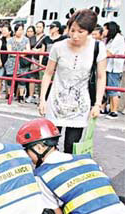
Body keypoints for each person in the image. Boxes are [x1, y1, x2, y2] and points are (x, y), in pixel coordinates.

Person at [16, 118, 125, 214]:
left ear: (39, 147)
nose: (27, 156)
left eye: (26, 150)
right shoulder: (87, 160)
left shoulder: (42, 176)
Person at [38, 9, 107, 154]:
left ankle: (67, 173)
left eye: (80, 31)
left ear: (89, 31)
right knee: (50, 144)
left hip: (80, 105)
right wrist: (42, 99)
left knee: (71, 145)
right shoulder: (58, 47)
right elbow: (48, 73)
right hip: (56, 102)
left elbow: (101, 77)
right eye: (72, 30)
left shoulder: (98, 47)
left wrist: (97, 104)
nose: (75, 35)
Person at [103, 21, 124, 119]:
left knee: (113, 89)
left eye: (105, 29)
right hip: (108, 67)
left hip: (114, 68)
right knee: (108, 89)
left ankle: (114, 111)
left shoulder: (118, 39)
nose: (104, 31)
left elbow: (109, 52)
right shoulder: (111, 39)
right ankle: (109, 109)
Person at [4, 23, 30, 103]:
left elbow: (28, 50)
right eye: (19, 30)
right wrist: (20, 53)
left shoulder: (26, 39)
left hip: (22, 62)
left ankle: (21, 96)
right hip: (11, 62)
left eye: (22, 30)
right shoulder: (10, 40)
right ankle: (9, 95)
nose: (21, 31)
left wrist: (20, 54)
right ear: (15, 31)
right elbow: (9, 51)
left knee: (22, 79)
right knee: (10, 80)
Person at [0, 24, 12, 98]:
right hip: (2, 60)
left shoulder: (12, 40)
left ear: (10, 31)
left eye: (5, 30)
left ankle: (8, 94)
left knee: (8, 79)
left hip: (10, 61)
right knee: (0, 77)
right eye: (3, 30)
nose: (4, 32)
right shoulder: (0, 40)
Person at [25, 25, 40, 104]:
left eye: (31, 31)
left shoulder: (36, 39)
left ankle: (35, 95)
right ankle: (28, 94)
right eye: (28, 31)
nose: (29, 33)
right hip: (26, 60)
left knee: (34, 78)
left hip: (34, 60)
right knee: (28, 78)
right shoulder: (26, 39)